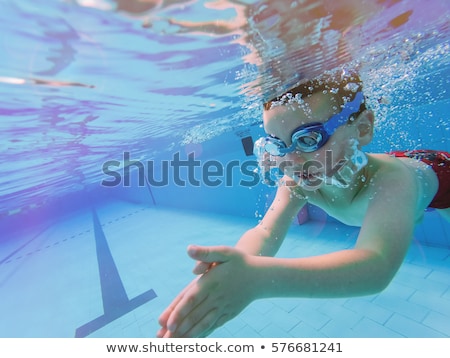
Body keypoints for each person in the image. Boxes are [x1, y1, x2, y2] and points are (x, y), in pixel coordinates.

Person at [156, 69, 450, 338]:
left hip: (439, 174)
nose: (291, 160)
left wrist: (258, 279)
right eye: (278, 144)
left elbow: (377, 264)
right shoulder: (297, 181)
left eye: (308, 139)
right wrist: (232, 270)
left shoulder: (393, 181)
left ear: (362, 129)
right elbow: (265, 232)